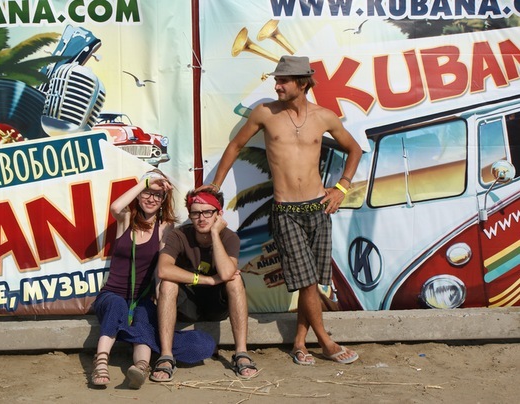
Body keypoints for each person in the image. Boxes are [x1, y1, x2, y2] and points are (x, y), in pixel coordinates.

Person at [203, 55, 363, 366]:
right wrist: (216, 186)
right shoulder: (265, 112)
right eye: (276, 80)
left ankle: (299, 343)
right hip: (286, 210)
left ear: (302, 83)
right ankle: (326, 341)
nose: (277, 86)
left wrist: (341, 187)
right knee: (307, 281)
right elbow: (235, 146)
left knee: (311, 282)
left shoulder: (324, 117)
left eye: (283, 81)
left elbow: (354, 149)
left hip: (319, 208)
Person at [91, 169, 215, 389]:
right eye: (147, 192)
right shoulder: (126, 218)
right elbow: (116, 207)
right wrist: (146, 182)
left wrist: (159, 297)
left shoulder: (164, 227)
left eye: (158, 195)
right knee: (116, 304)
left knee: (145, 317)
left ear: (164, 200)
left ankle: (140, 367)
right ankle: (101, 362)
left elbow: (161, 267)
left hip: (142, 299)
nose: (151, 198)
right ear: (139, 195)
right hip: (112, 295)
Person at [150, 189, 259, 382]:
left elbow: (226, 273)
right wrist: (207, 280)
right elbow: (163, 270)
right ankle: (166, 356)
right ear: (190, 214)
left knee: (235, 280)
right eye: (196, 213)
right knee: (167, 283)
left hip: (216, 304)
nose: (201, 218)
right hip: (188, 304)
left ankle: (241, 353)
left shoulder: (229, 237)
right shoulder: (179, 235)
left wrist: (215, 234)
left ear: (219, 214)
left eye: (208, 212)